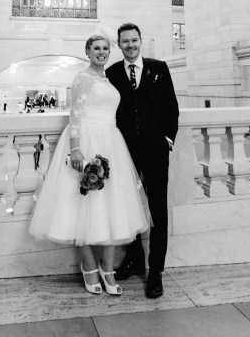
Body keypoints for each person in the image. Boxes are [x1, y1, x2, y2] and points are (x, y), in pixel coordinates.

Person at [28, 34, 150, 296]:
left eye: (105, 48)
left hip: (111, 142)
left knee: (113, 206)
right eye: (96, 48)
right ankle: (89, 266)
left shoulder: (107, 78)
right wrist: (75, 148)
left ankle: (107, 267)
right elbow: (75, 114)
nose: (102, 52)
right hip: (86, 139)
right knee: (80, 205)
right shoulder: (82, 77)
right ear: (87, 51)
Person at [106, 22, 179, 299]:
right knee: (127, 207)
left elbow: (172, 107)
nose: (130, 45)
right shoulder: (112, 73)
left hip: (156, 151)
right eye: (125, 41)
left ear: (140, 40)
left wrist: (167, 139)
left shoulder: (159, 68)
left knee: (158, 210)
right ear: (119, 44)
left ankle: (156, 270)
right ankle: (135, 259)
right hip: (125, 152)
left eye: (134, 40)